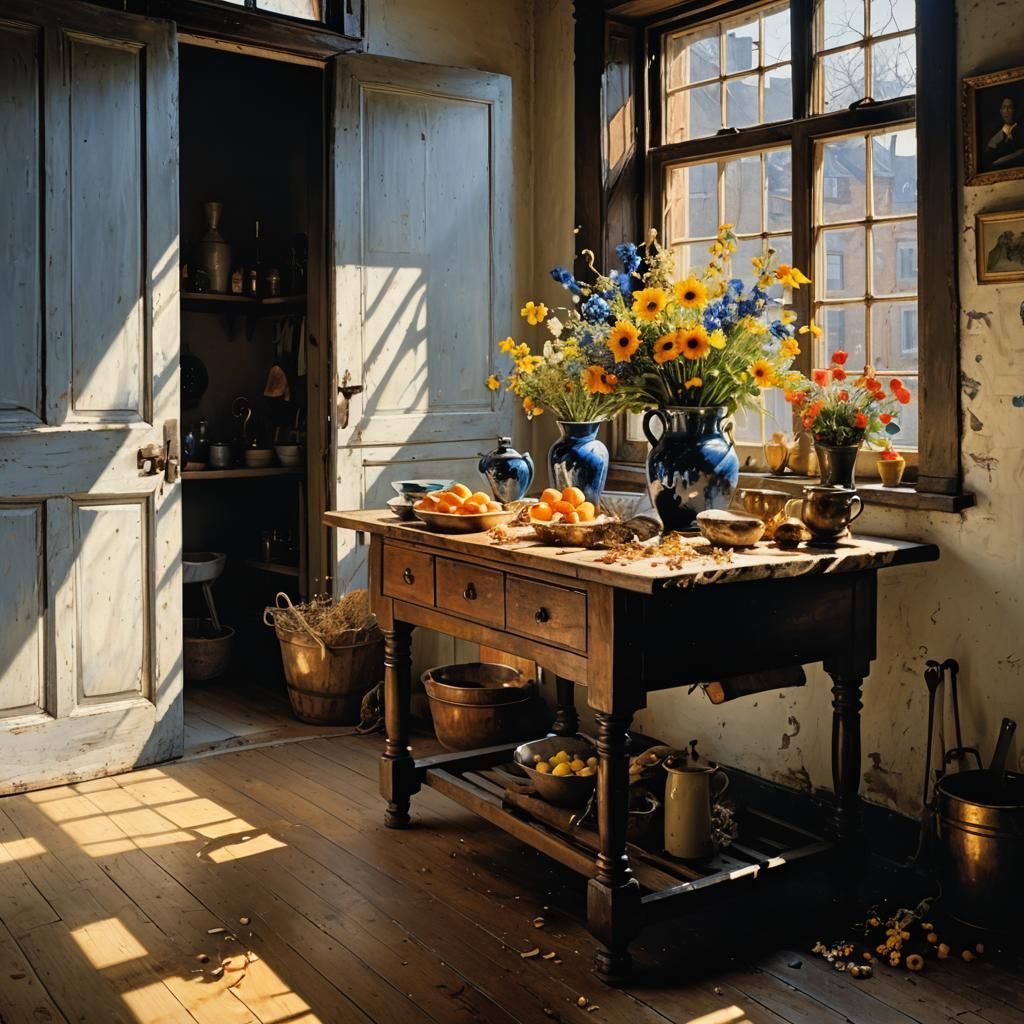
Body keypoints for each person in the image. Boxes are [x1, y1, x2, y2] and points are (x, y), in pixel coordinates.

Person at [984, 96, 1024, 170]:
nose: (1006, 111)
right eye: (1004, 107)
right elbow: (988, 159)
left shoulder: (1020, 129)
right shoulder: (995, 132)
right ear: (1001, 111)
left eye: (1010, 107)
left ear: (1014, 110)